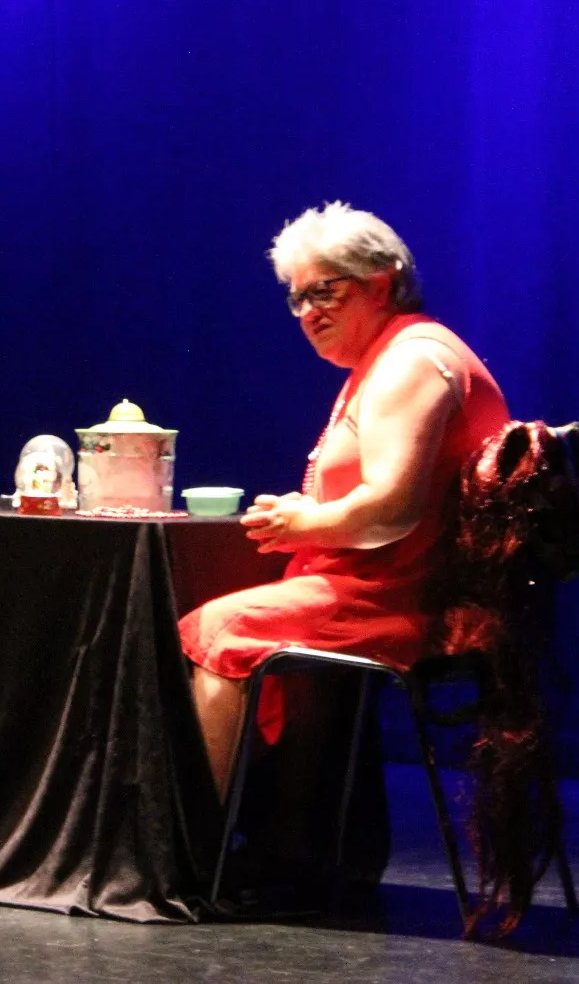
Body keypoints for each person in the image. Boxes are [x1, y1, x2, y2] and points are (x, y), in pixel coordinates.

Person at [181, 203, 509, 797]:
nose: (307, 313)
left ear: (380, 284)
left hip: (400, 598)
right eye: (296, 298)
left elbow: (391, 511)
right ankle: (273, 845)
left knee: (212, 627)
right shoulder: (388, 356)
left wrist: (304, 523)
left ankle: (188, 859)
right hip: (381, 585)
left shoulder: (412, 360)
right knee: (201, 603)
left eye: (323, 292)